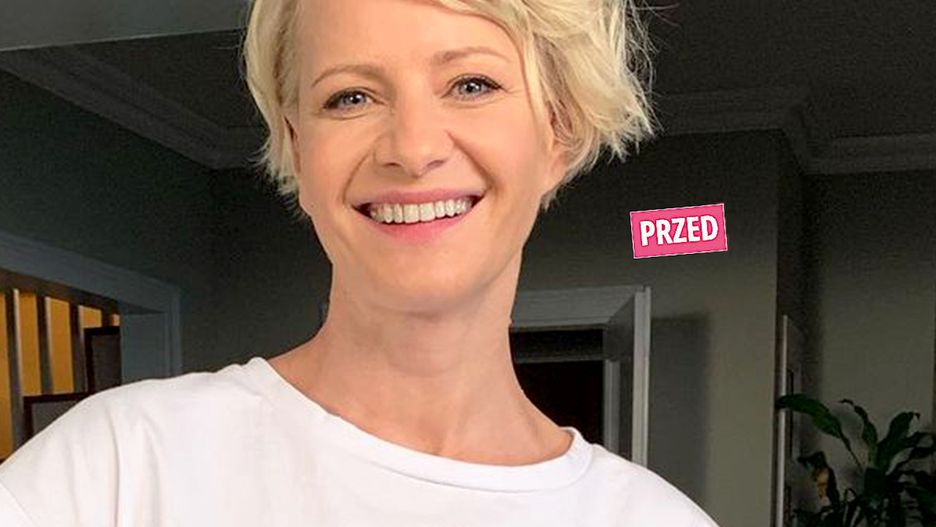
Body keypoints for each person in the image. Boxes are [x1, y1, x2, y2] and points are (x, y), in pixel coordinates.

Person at [0, 0, 720, 525]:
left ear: (557, 129)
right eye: (351, 97)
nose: (413, 147)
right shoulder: (117, 468)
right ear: (297, 145)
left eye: (471, 84)